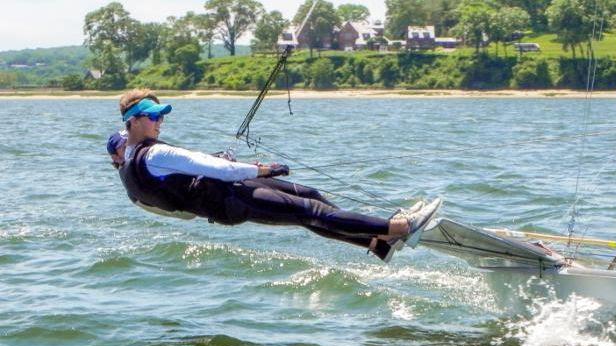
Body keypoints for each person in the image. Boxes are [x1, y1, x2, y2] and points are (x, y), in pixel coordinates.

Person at [113, 89, 440, 262]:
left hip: (226, 194)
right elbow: (219, 170)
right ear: (134, 121)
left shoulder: (129, 160)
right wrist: (265, 168)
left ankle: (374, 243)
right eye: (153, 116)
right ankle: (399, 227)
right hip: (230, 198)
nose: (160, 122)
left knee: (309, 198)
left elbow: (176, 193)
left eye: (161, 116)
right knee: (310, 212)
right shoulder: (156, 153)